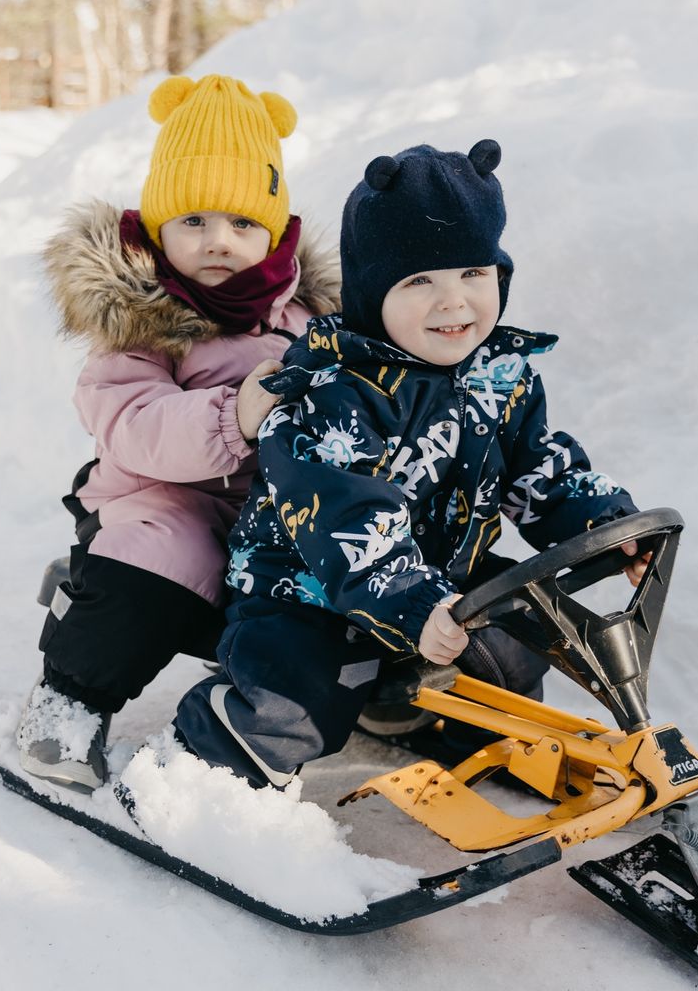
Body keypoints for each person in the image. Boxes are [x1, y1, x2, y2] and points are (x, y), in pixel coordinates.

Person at [172, 138, 645, 789]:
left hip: (438, 586)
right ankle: (207, 764)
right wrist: (414, 603)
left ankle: (479, 739)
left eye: (473, 274)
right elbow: (347, 523)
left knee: (518, 639)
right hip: (313, 593)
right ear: (373, 292)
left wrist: (607, 524)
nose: (454, 302)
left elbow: (539, 470)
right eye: (421, 281)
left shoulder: (499, 376)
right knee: (299, 696)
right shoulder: (331, 392)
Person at [18, 74, 339, 790]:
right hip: (167, 502)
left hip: (280, 514)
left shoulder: (313, 320)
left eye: (243, 223)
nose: (219, 241)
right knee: (160, 554)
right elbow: (132, 421)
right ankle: (69, 701)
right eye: (193, 220)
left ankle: (379, 692)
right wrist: (235, 414)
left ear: (276, 233)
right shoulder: (139, 320)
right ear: (158, 227)